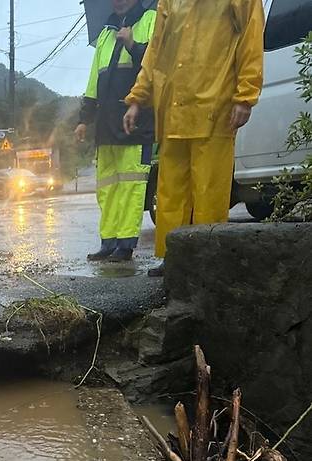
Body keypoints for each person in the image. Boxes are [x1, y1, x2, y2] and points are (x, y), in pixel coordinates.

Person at [123, 0, 264, 276]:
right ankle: (173, 257)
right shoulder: (170, 1)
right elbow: (155, 52)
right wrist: (137, 99)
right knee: (171, 192)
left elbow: (251, 37)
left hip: (215, 107)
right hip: (174, 109)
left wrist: (245, 96)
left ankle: (207, 260)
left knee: (209, 191)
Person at [75, 0, 157, 262]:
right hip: (106, 124)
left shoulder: (150, 21)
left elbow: (157, 67)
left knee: (130, 185)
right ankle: (108, 241)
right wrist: (84, 119)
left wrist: (133, 45)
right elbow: (93, 81)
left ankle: (125, 244)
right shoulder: (104, 34)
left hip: (136, 120)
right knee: (107, 187)